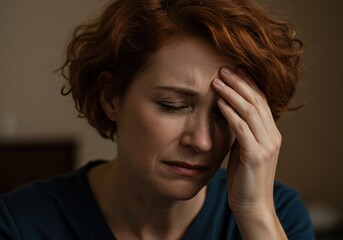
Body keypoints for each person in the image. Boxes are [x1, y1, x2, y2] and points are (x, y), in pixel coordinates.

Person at [0, 0, 315, 239]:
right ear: (110, 97)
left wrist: (257, 217)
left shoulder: (279, 215)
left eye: (225, 113)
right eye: (173, 104)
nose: (202, 141)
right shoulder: (21, 223)